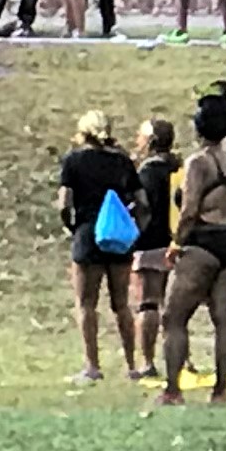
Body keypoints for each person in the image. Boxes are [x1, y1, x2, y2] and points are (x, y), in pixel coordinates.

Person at [152, 96, 226, 406]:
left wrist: (177, 243)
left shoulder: (198, 163)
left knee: (174, 316)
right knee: (224, 317)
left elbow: (189, 209)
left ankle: (172, 390)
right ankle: (220, 391)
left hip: (203, 243)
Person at [57, 105, 143, 385]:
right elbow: (142, 201)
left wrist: (72, 227)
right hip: (118, 236)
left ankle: (92, 366)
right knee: (122, 304)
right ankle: (132, 364)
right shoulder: (122, 161)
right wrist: (136, 229)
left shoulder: (74, 161)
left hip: (87, 234)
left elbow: (64, 203)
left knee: (86, 304)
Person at [127, 114, 180, 380]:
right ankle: (181, 359)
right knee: (174, 306)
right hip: (178, 241)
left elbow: (142, 207)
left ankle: (147, 362)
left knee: (147, 304)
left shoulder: (147, 173)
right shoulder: (180, 168)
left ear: (150, 140)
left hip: (150, 242)